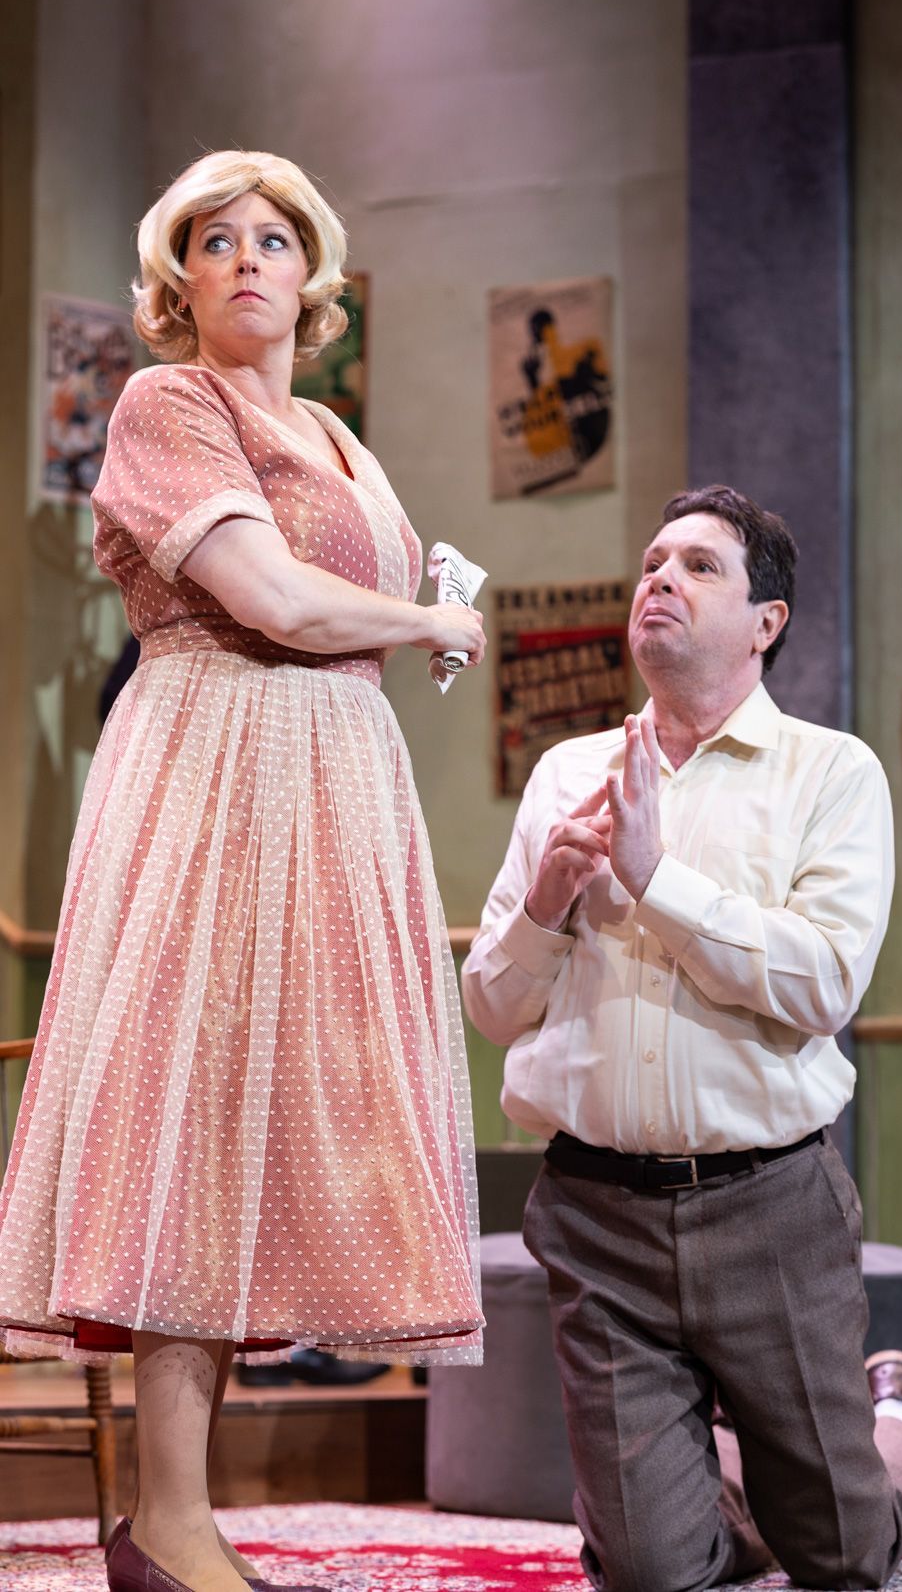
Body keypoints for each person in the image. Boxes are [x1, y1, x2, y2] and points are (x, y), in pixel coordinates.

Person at [0, 150, 485, 1592]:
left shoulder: (343, 438)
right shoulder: (164, 404)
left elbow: (343, 591)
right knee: (192, 1116)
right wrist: (430, 625)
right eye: (217, 241)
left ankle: (172, 1519)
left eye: (276, 239)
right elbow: (267, 597)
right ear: (178, 281)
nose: (250, 260)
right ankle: (169, 1517)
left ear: (313, 278)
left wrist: (405, 617)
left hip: (336, 779)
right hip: (219, 760)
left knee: (284, 1131)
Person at [462, 484, 902, 1592]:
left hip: (768, 1208)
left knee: (841, 1557)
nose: (660, 578)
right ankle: (700, 1493)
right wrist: (550, 901)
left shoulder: (831, 774)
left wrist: (656, 883)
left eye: (699, 566)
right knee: (651, 1572)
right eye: (652, 561)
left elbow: (825, 982)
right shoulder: (565, 775)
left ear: (766, 622)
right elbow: (494, 1010)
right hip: (596, 1214)